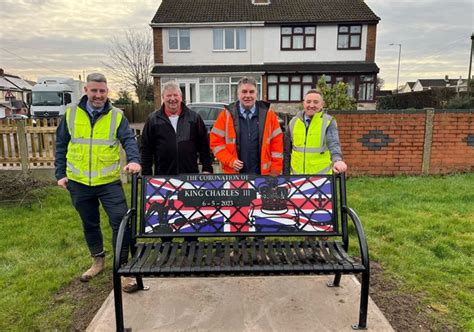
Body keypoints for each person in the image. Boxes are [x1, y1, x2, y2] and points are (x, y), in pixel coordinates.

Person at [55, 73, 141, 292]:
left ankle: (123, 269)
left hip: (109, 182)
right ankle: (98, 261)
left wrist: (133, 160)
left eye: (102, 91)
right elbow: (61, 145)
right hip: (79, 182)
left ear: (107, 92)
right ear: (86, 90)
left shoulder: (116, 115)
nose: (98, 95)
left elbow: (129, 140)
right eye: (94, 91)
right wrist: (60, 174)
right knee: (89, 223)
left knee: (121, 222)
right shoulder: (71, 114)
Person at [210, 76, 283, 175]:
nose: (248, 95)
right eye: (244, 92)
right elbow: (216, 144)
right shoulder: (226, 115)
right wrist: (230, 160)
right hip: (234, 177)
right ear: (238, 94)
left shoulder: (269, 115)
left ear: (257, 94)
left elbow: (277, 148)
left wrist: (275, 173)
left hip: (262, 176)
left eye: (251, 92)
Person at [140, 80, 213, 176]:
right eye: (169, 96)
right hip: (163, 178)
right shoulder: (153, 120)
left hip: (189, 177)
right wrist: (147, 176)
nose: (172, 99)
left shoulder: (194, 118)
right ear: (163, 98)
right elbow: (146, 149)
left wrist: (207, 169)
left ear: (181, 97)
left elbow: (204, 146)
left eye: (175, 95)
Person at [284, 89, 347, 175]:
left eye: (316, 102)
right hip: (297, 178)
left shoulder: (328, 121)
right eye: (308, 102)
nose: (311, 105)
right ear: (304, 103)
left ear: (322, 105)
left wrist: (337, 160)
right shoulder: (293, 122)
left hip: (321, 180)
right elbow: (287, 151)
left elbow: (333, 144)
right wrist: (285, 175)